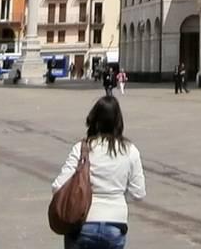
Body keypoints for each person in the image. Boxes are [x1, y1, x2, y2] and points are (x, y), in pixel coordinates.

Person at [52, 96, 145, 248]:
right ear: (119, 121)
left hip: (83, 224)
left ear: (94, 119)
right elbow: (139, 193)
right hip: (115, 225)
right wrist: (116, 196)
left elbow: (58, 185)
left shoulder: (82, 148)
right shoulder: (130, 151)